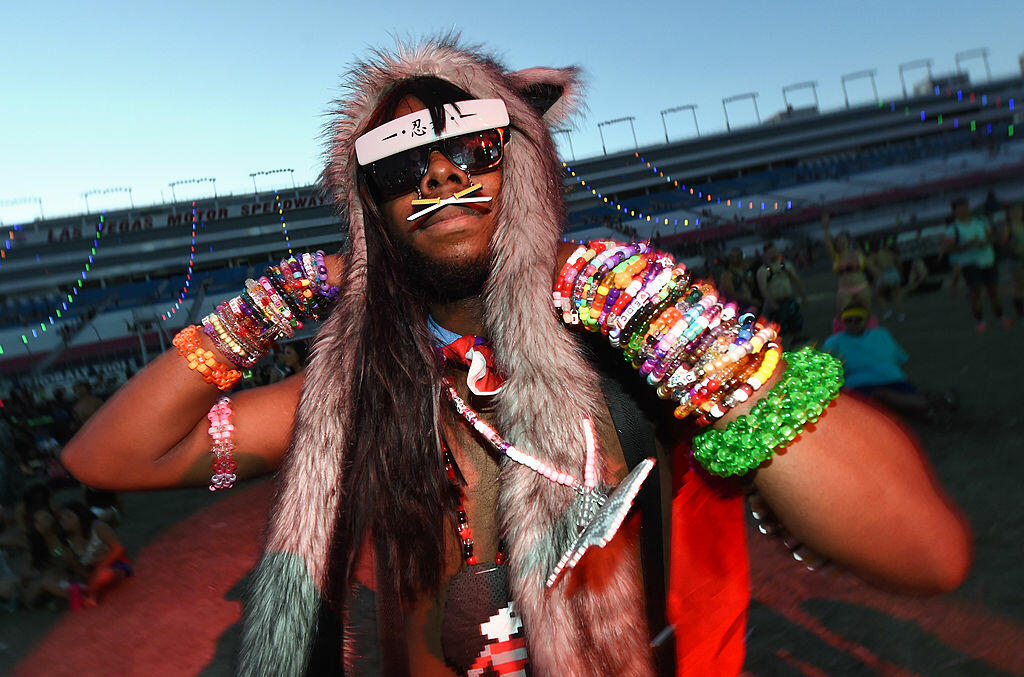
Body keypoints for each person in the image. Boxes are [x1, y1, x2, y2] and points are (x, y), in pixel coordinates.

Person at [61, 40, 969, 676]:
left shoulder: (636, 353)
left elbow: (924, 553)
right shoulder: (356, 389)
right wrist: (283, 295)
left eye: (471, 146)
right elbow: (111, 457)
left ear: (524, 167)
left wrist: (687, 334)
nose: (442, 175)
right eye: (396, 163)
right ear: (367, 210)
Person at [823, 306, 955, 422]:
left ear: (866, 320)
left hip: (892, 379)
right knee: (884, 397)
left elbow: (899, 358)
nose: (853, 324)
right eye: (848, 321)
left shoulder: (881, 334)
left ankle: (931, 408)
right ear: (842, 322)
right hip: (862, 386)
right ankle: (937, 403)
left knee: (897, 401)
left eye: (858, 320)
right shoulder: (834, 342)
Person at [943, 196, 1008, 331]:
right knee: (975, 292)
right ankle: (980, 321)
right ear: (955, 211)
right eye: (960, 209)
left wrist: (986, 241)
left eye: (965, 208)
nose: (963, 211)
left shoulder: (981, 221)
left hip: (988, 260)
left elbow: (991, 235)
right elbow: (949, 249)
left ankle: (1000, 318)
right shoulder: (953, 229)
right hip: (969, 263)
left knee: (993, 291)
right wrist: (968, 245)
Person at [755, 242, 807, 346]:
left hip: (789, 300)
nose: (773, 254)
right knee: (778, 330)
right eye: (770, 252)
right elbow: (763, 289)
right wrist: (772, 303)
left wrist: (803, 295)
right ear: (765, 255)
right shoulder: (763, 270)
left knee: (796, 324)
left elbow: (796, 280)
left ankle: (798, 343)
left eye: (774, 251)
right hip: (775, 303)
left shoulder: (786, 266)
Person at [822, 212, 871, 315]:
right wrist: (826, 228)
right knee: (843, 314)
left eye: (842, 239)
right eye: (838, 240)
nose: (840, 242)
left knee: (866, 313)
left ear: (848, 241)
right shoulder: (836, 257)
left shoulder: (858, 253)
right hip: (845, 289)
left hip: (861, 285)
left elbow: (869, 265)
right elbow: (827, 244)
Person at [1000, 201, 1024, 322]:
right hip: (1016, 260)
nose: (1017, 213)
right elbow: (1003, 244)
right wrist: (1013, 248)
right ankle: (1021, 314)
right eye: (1014, 212)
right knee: (1019, 286)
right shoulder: (1008, 228)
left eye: (1019, 211)